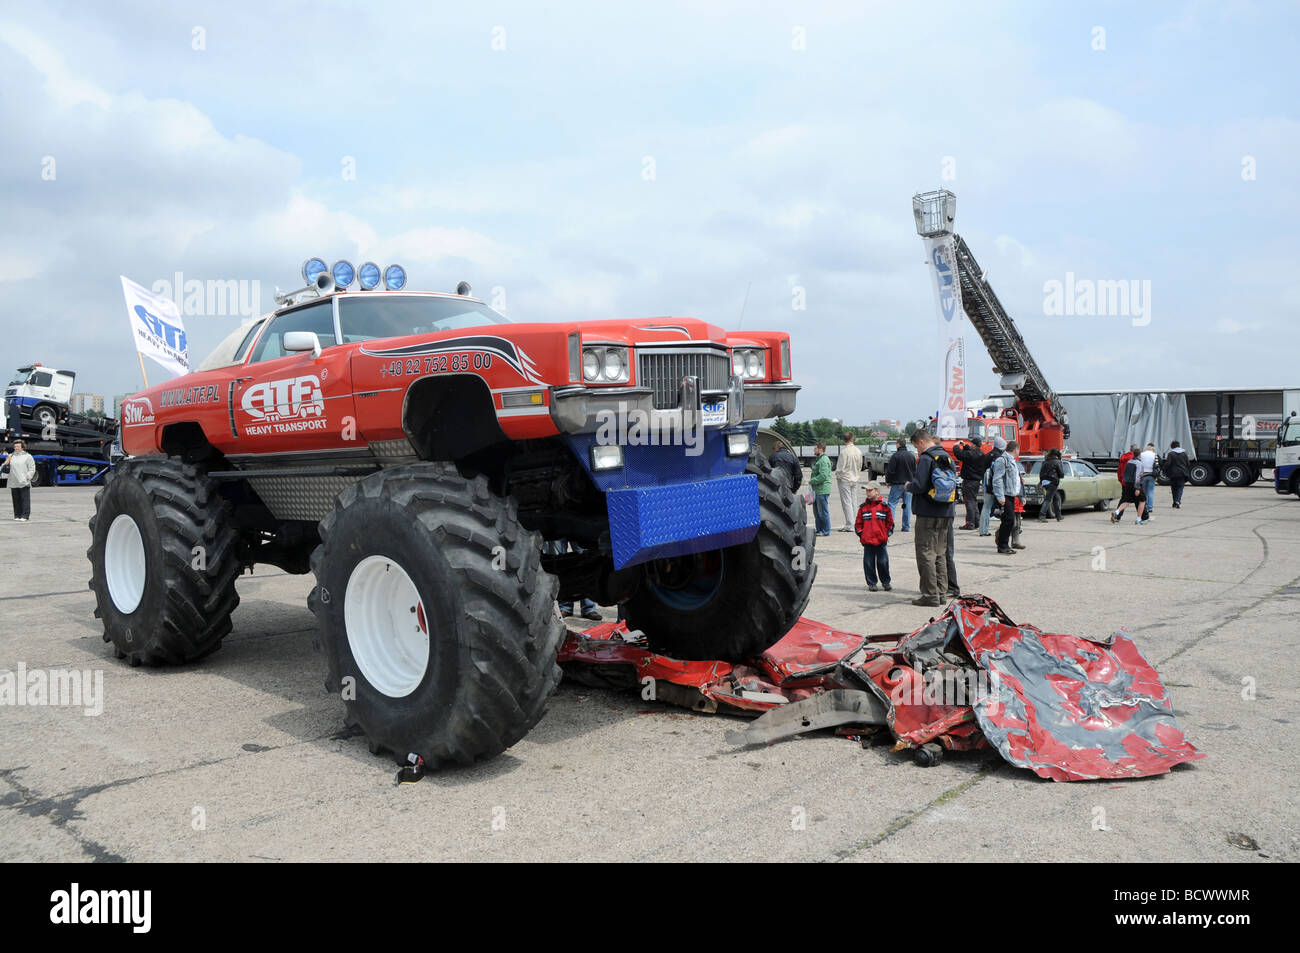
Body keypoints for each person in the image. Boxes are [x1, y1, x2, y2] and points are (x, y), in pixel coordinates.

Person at [904, 430, 957, 606]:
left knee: (925, 552)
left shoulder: (926, 458)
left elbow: (919, 485)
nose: (917, 450)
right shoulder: (946, 457)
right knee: (940, 553)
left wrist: (908, 486)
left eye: (916, 446)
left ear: (921, 442)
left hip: (928, 512)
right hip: (946, 512)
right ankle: (941, 593)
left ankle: (929, 595)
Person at [543, 539, 602, 620]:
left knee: (586, 562)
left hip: (580, 527)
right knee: (559, 563)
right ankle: (565, 607)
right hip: (558, 527)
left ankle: (588, 608)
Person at [854, 482, 894, 592]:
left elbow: (890, 523)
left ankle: (886, 582)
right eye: (866, 490)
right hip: (868, 541)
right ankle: (872, 583)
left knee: (883, 562)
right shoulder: (863, 508)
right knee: (868, 562)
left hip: (880, 541)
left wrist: (886, 534)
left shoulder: (884, 507)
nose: (867, 492)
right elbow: (858, 524)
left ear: (877, 491)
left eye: (870, 490)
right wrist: (862, 534)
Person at [991, 440, 1023, 555]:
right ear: (1016, 449)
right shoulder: (1002, 460)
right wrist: (1000, 496)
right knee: (1008, 520)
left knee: (1009, 520)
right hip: (1005, 495)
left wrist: (1019, 495)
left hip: (1011, 494)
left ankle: (1004, 544)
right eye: (1019, 450)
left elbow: (1016, 480)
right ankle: (1002, 545)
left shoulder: (1012, 461)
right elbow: (997, 479)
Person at [954, 438, 993, 530]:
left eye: (971, 444)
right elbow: (970, 453)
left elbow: (959, 454)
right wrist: (965, 446)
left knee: (969, 502)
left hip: (969, 481)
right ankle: (976, 521)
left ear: (974, 445)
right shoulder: (981, 455)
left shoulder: (970, 454)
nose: (970, 445)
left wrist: (956, 446)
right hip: (976, 481)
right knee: (973, 501)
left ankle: (970, 523)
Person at [835, 432, 864, 532]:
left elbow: (840, 468)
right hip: (855, 478)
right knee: (853, 501)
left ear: (844, 440)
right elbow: (860, 465)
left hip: (845, 479)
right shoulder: (858, 451)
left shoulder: (844, 452)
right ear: (853, 439)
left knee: (846, 502)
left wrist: (838, 476)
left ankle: (850, 524)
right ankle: (856, 523)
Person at [978, 435, 1007, 536]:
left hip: (987, 485)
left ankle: (983, 530)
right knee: (1005, 507)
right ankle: (1007, 530)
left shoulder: (987, 456)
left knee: (986, 507)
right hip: (998, 486)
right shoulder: (1000, 457)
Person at [885, 439, 916, 533]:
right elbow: (915, 470)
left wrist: (888, 481)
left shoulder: (895, 456)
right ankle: (906, 526)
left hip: (897, 483)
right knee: (907, 505)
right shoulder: (911, 456)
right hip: (909, 484)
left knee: (892, 504)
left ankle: (890, 526)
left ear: (898, 445)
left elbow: (890, 470)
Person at [1110, 453, 1147, 524]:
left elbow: (1123, 473)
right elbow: (1137, 476)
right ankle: (1138, 519)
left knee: (1127, 501)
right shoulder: (1138, 463)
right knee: (1142, 500)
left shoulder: (1129, 462)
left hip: (1127, 484)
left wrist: (1124, 482)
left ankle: (1116, 512)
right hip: (1135, 485)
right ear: (1139, 455)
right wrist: (1137, 488)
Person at [7, 440, 36, 522]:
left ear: (22, 447)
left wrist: (28, 476)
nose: (16, 448)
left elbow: (32, 468)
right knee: (15, 499)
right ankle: (17, 515)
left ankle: (25, 516)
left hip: (23, 481)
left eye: (18, 446)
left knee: (24, 499)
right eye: (15, 446)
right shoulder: (11, 456)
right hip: (13, 481)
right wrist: (6, 463)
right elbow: (6, 465)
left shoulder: (28, 456)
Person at [810, 442, 832, 536]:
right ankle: (819, 530)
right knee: (817, 512)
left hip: (822, 490)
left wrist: (812, 481)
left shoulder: (823, 460)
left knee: (822, 511)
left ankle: (825, 531)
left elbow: (823, 476)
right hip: (817, 490)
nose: (814, 450)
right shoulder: (820, 459)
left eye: (815, 449)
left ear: (820, 449)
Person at [1037, 449, 1065, 522]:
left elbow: (1041, 473)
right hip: (1053, 482)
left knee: (1056, 498)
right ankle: (1041, 516)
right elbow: (1061, 474)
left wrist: (1042, 481)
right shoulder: (1058, 462)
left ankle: (1058, 516)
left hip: (1044, 482)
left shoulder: (1045, 461)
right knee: (1048, 499)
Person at [1163, 440, 1190, 508]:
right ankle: (1177, 501)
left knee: (1174, 488)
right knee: (1180, 488)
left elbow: (1168, 464)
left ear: (1172, 446)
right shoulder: (1184, 453)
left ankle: (1175, 502)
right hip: (1182, 473)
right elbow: (1188, 463)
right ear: (1179, 445)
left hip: (1173, 473)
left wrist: (1164, 469)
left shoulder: (1171, 454)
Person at [1140, 443, 1158, 521]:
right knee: (1150, 491)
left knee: (1143, 492)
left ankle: (1144, 506)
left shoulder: (1141, 454)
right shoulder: (1154, 455)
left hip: (1143, 474)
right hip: (1151, 475)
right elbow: (1157, 465)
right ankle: (1150, 507)